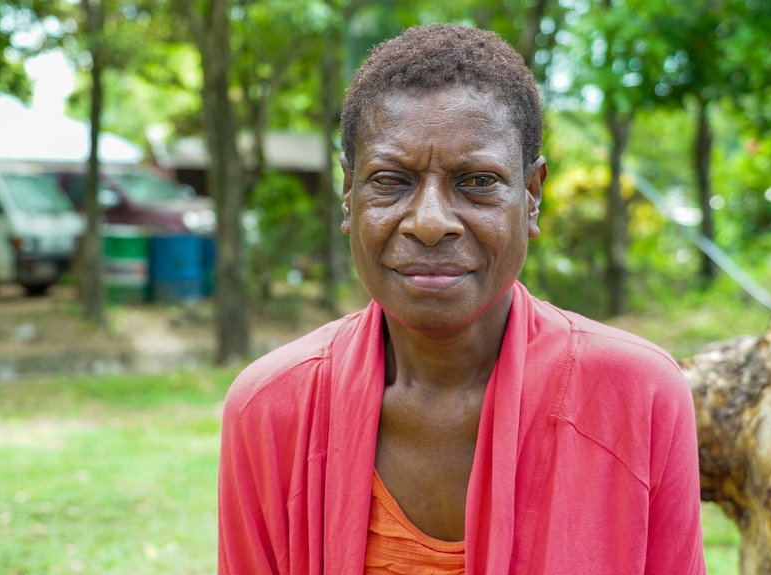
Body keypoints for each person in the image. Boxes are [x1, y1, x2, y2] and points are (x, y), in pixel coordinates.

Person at [218, 23, 706, 574]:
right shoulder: (269, 410)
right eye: (390, 180)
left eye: (476, 181)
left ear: (532, 195)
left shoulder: (637, 397)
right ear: (348, 195)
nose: (430, 223)